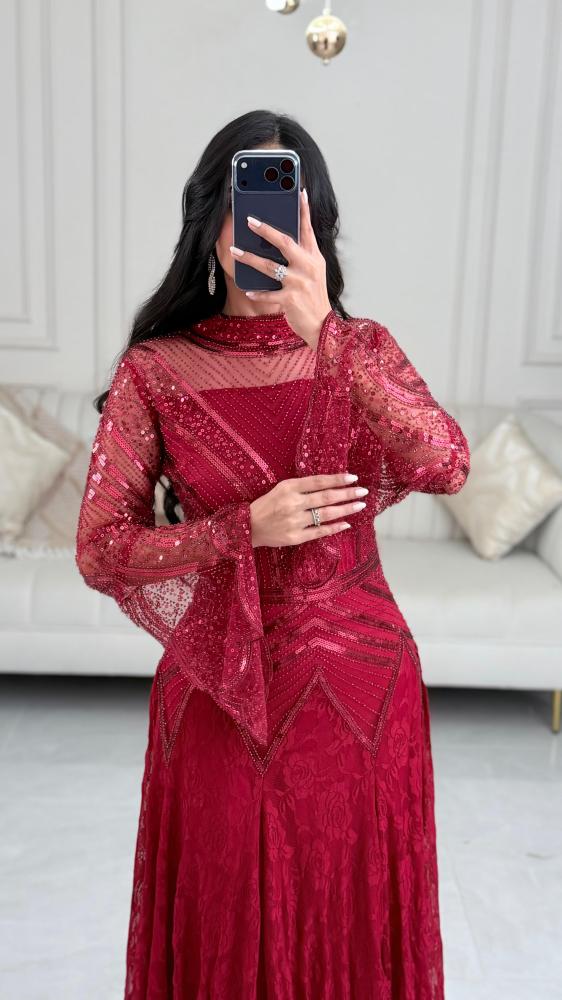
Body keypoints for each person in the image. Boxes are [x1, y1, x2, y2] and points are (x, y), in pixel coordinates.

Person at [75, 109, 470, 999]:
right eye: (244, 210)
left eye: (287, 214)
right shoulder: (155, 370)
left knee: (349, 924)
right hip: (223, 697)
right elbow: (101, 550)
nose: (261, 235)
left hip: (360, 705)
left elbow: (445, 463)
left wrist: (327, 334)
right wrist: (237, 530)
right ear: (209, 221)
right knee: (226, 918)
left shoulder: (361, 351)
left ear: (314, 229)